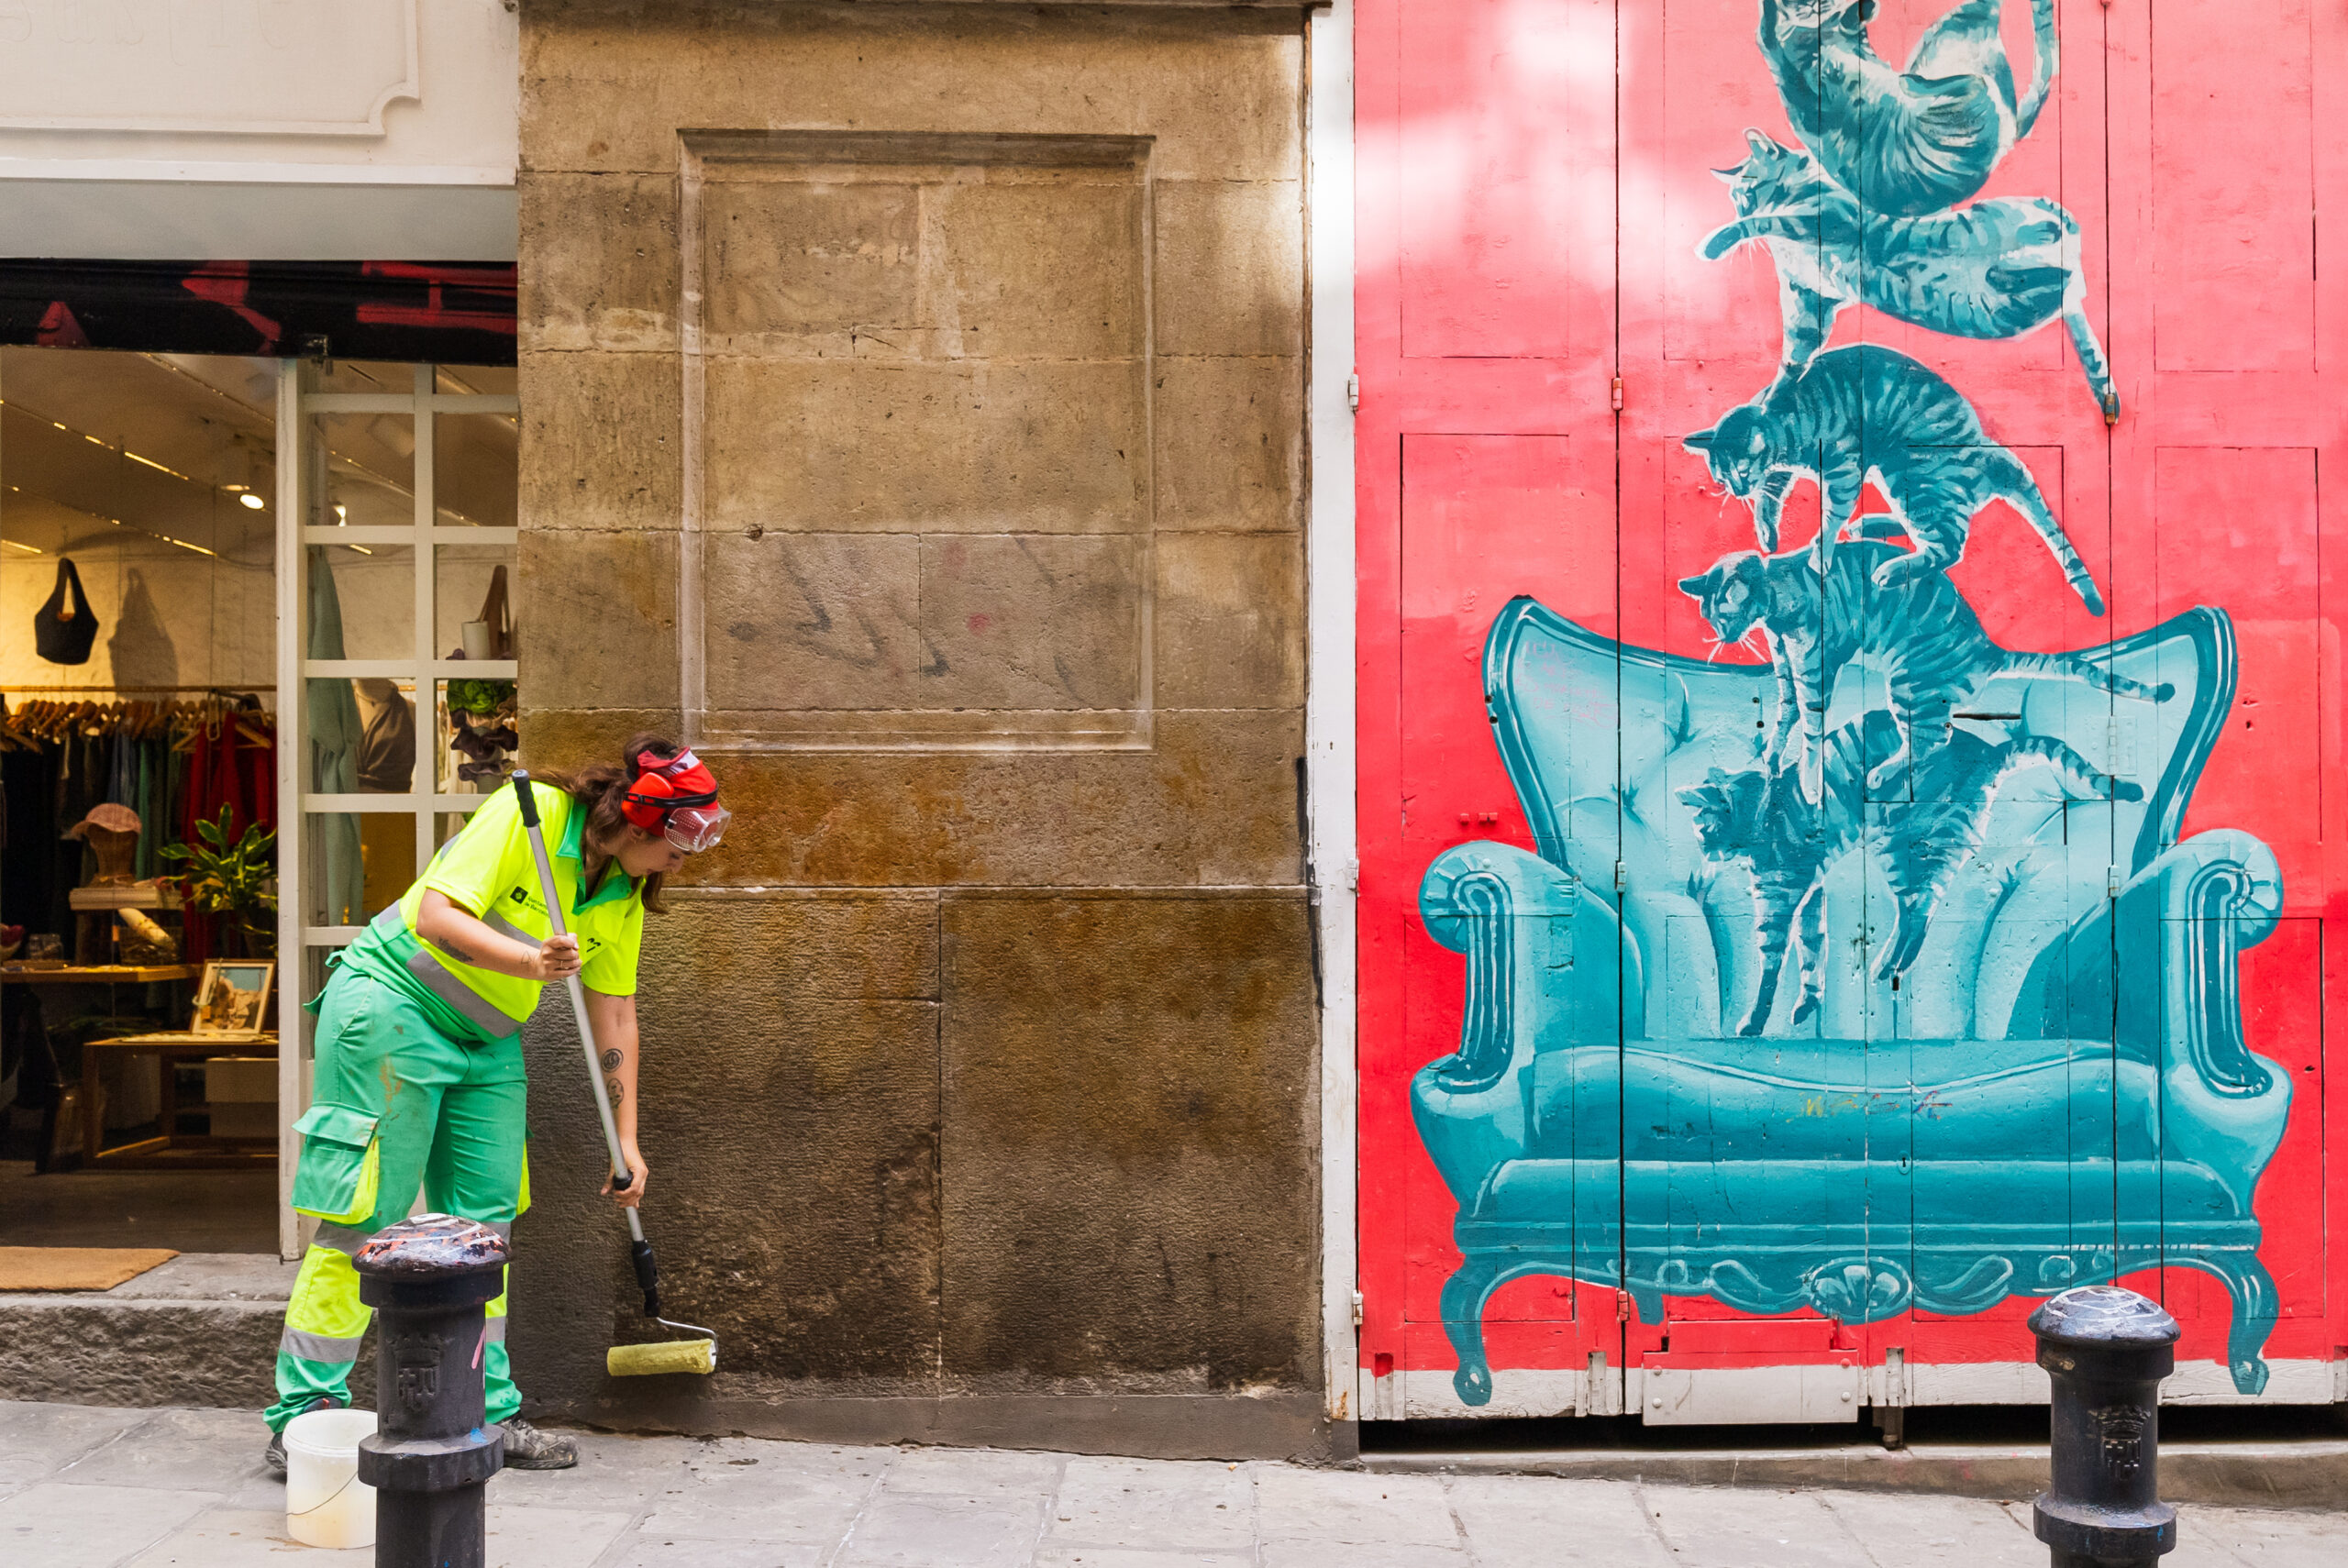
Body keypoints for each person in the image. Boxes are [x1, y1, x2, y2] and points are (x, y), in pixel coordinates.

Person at [261, 734, 728, 1474]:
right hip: (393, 1006)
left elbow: (614, 1013)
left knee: (486, 1227)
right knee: (366, 1214)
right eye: (679, 843)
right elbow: (436, 917)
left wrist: (626, 1139)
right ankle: (304, 1416)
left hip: (488, 1037)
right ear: (640, 821)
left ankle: (481, 1408)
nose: (683, 862)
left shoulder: (622, 892)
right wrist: (531, 961)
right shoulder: (531, 812)